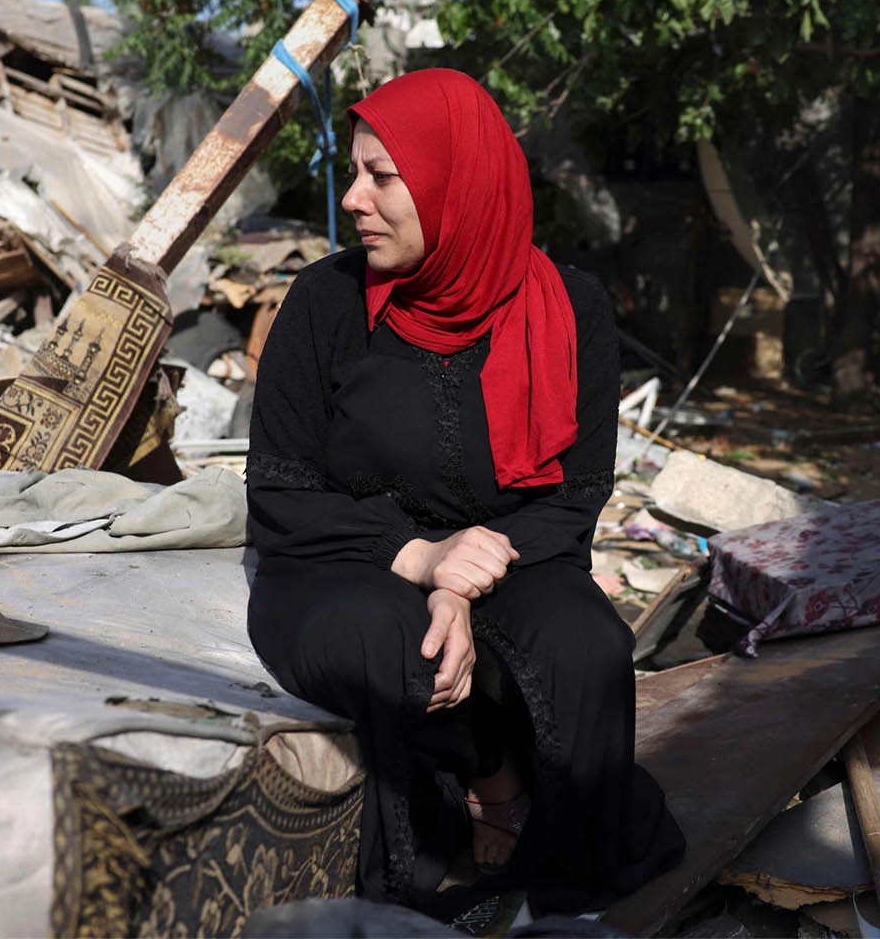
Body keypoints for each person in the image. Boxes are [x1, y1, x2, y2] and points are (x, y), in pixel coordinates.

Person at [245, 69, 684, 920]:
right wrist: (417, 559)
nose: (355, 200)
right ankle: (471, 799)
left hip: (510, 552)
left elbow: (577, 492)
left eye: (382, 176)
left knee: (586, 647)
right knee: (390, 639)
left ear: (460, 184)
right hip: (344, 553)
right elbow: (280, 490)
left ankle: (568, 892)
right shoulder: (324, 304)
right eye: (355, 173)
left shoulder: (570, 306)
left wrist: (462, 575)